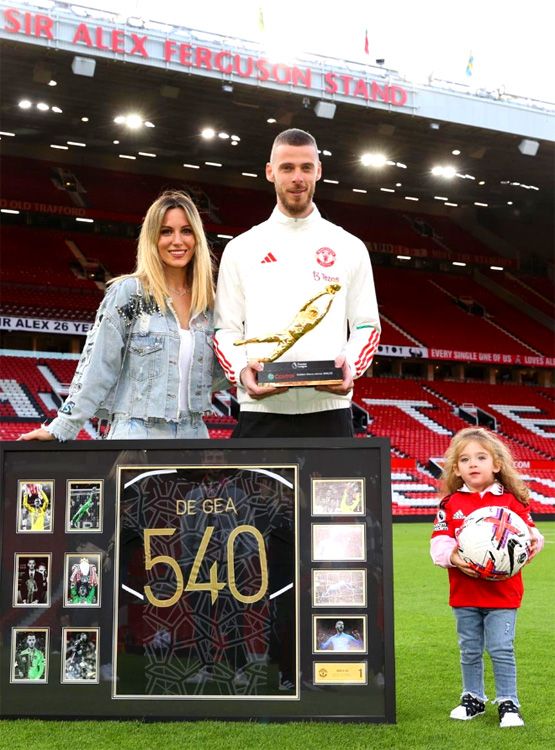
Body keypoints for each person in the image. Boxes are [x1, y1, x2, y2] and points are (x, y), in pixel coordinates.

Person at [214, 128, 380, 438]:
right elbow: (225, 329)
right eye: (287, 167)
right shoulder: (242, 248)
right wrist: (240, 370)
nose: (297, 178)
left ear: (318, 171)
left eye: (306, 167)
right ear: (270, 172)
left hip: (329, 410)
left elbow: (366, 326)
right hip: (261, 412)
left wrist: (351, 366)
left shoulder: (348, 246)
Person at [19, 190, 222, 441]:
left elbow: (221, 372)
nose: (177, 241)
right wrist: (62, 428)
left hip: (195, 433)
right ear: (152, 238)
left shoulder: (210, 302)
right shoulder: (129, 293)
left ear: (197, 238)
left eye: (186, 231)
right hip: (137, 433)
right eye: (166, 231)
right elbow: (98, 366)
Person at [430, 427, 544, 728]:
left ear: (496, 464)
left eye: (481, 457)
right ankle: (473, 699)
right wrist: (454, 557)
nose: (473, 464)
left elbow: (531, 536)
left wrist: (531, 543)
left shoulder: (511, 502)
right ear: (456, 469)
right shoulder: (450, 505)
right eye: (465, 459)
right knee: (469, 649)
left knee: (501, 648)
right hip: (464, 593)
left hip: (503, 594)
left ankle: (508, 703)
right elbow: (438, 544)